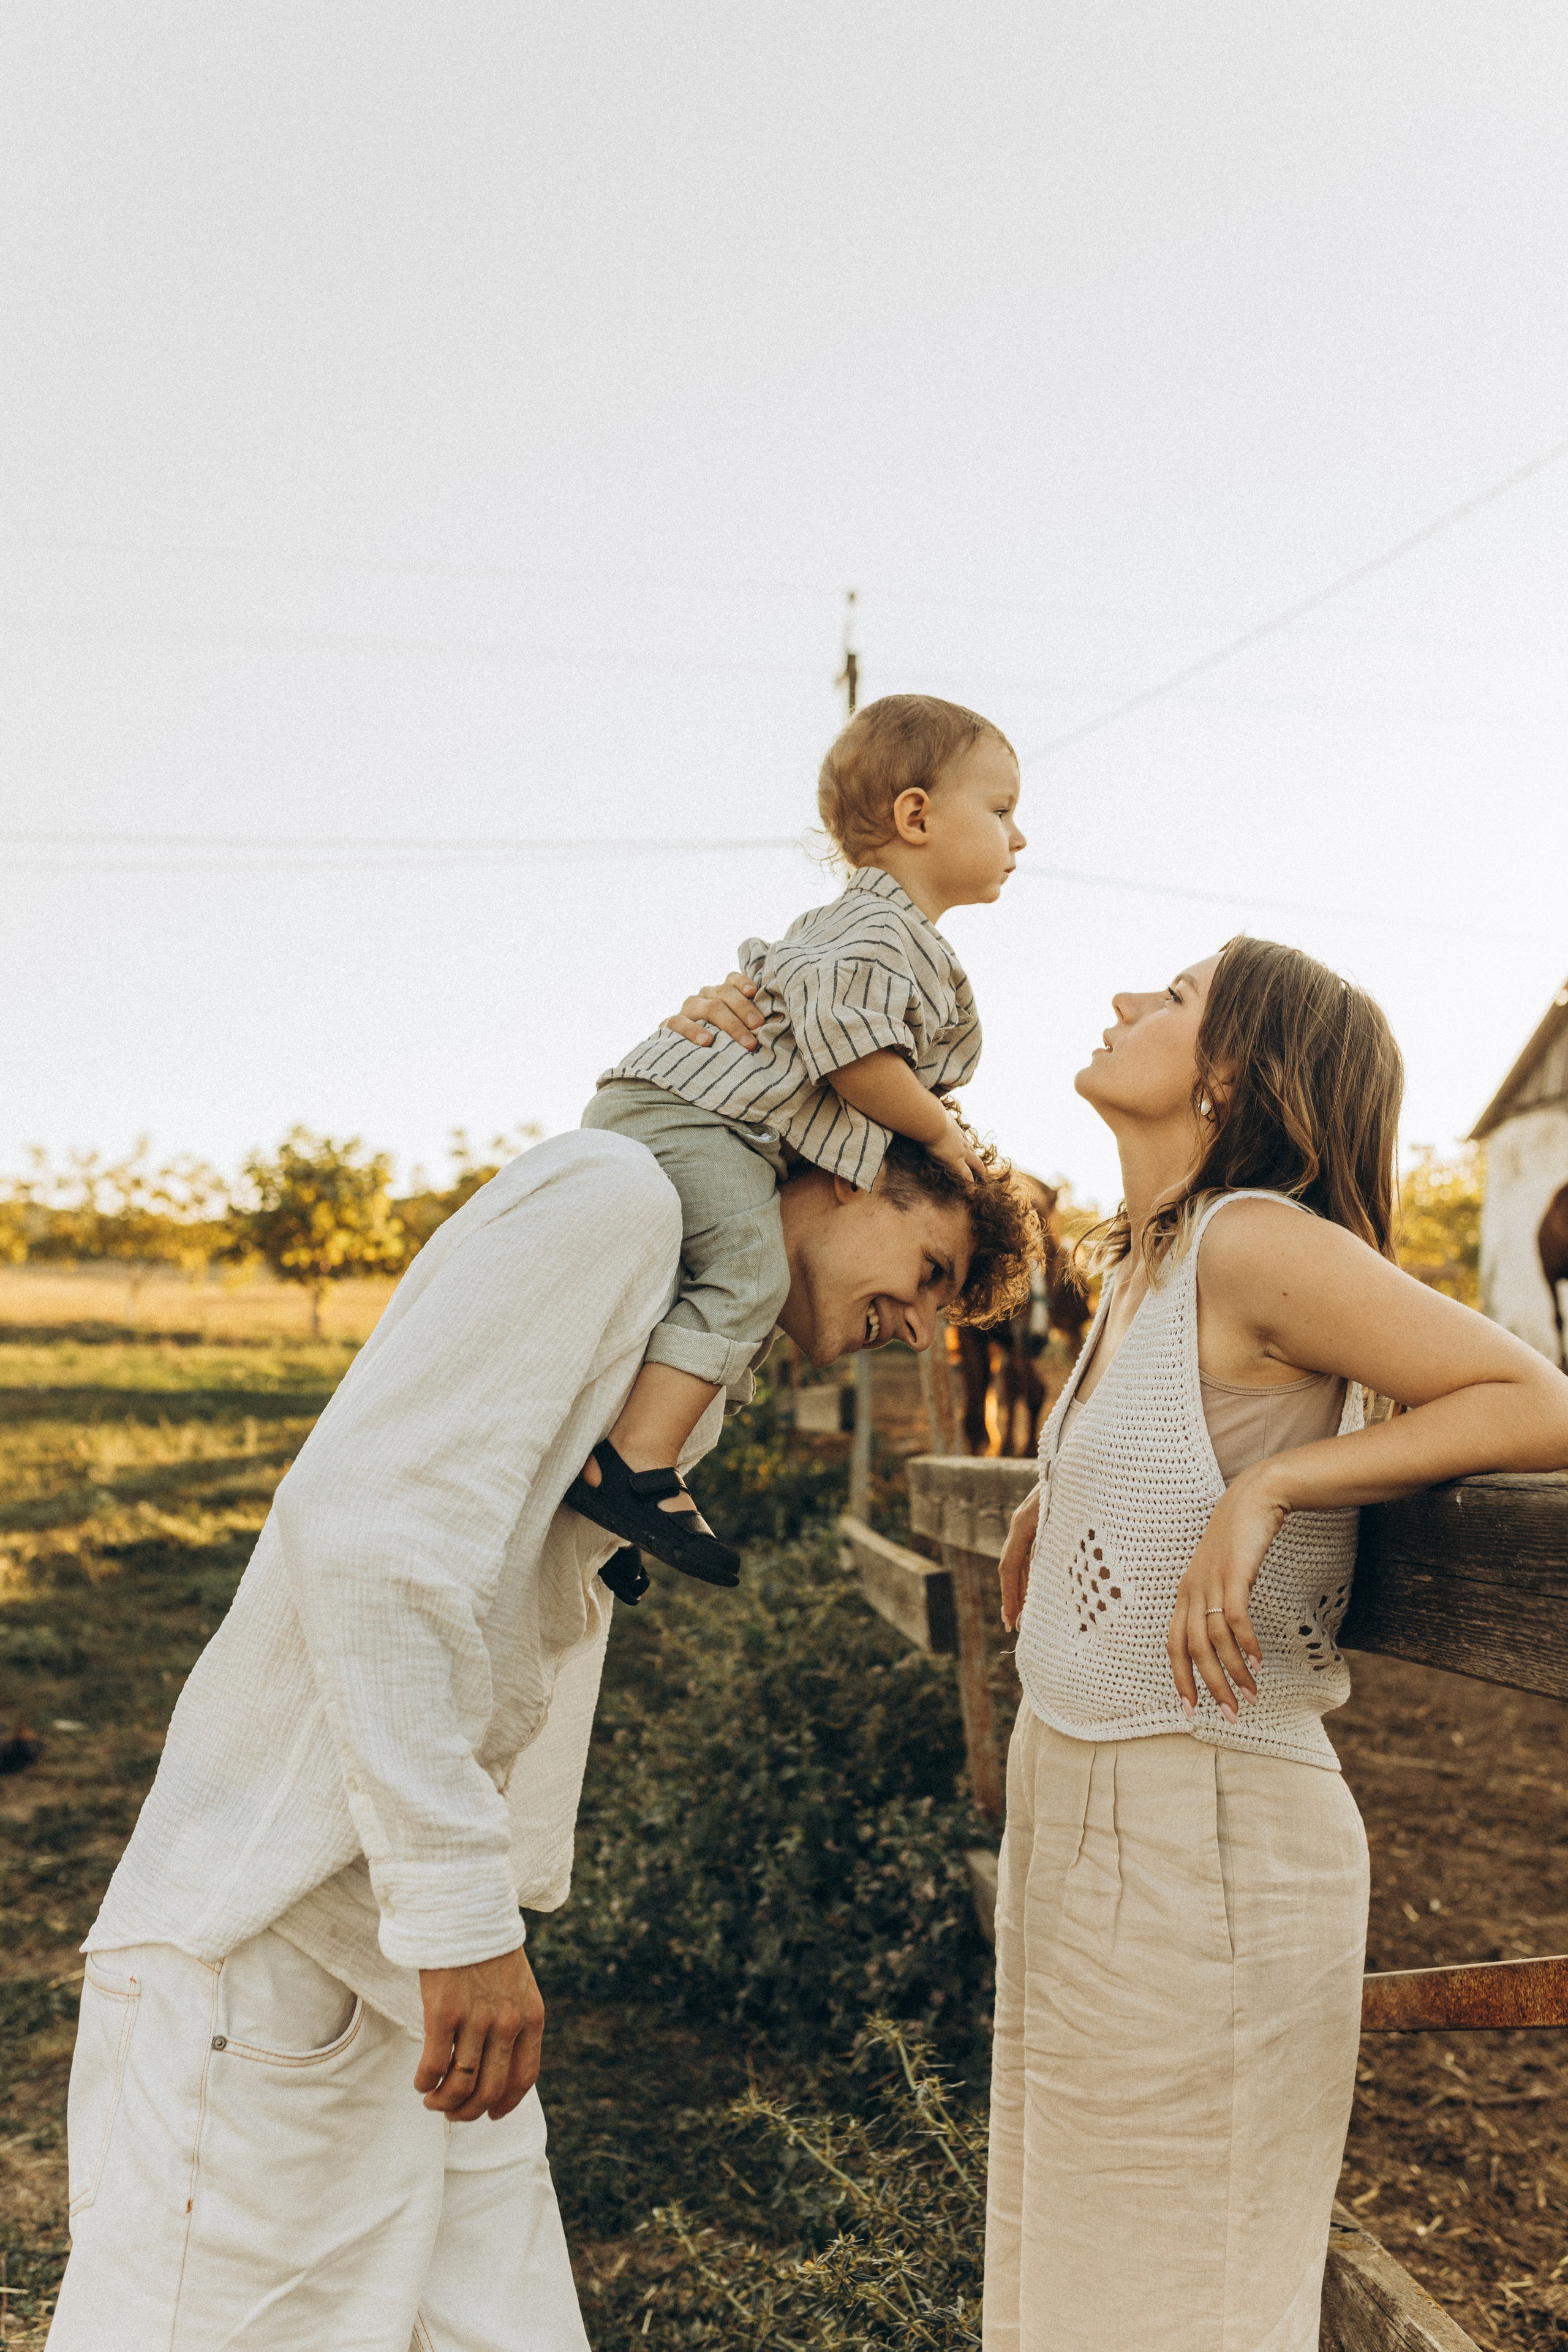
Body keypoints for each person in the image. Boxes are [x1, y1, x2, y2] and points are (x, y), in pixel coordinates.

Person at [50, 1123, 1037, 2352]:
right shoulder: (615, 1204)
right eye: (932, 1271)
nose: (922, 1325)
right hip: (278, 1938)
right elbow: (370, 1537)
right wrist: (459, 1917)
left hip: (410, 1966)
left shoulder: (688, 1335)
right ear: (842, 1169)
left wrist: (482, 1915)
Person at [981, 937, 1568, 2351]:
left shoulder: (1252, 1237)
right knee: (1078, 2268)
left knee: (1183, 2290)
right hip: (1088, 1814)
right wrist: (1064, 1503)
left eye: (1172, 999)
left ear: (1235, 1069)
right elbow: (1182, 1440)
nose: (1124, 1000)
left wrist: (1275, 1487)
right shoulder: (1146, 1263)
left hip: (1206, 1836)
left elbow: (1536, 1398)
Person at [568, 693, 1027, 1588]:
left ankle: (623, 1504)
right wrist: (936, 1128)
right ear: (916, 815)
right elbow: (850, 1046)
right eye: (1003, 811)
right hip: (697, 1119)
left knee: (733, 1324)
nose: (1019, 838)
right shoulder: (882, 928)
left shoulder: (892, 940)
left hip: (712, 1122)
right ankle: (631, 1473)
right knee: (749, 1281)